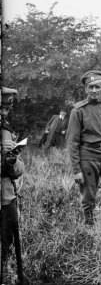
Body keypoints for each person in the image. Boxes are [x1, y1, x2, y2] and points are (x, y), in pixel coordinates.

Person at [66, 70, 101, 225]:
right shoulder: (78, 110)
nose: (94, 90)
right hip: (87, 156)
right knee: (88, 195)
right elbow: (72, 142)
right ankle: (89, 225)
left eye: (97, 87)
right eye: (90, 87)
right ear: (86, 89)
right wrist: (76, 170)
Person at [1, 87, 27, 284]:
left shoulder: (6, 130)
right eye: (1, 107)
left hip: (6, 195)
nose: (4, 112)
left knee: (7, 241)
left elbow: (17, 172)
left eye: (8, 108)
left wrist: (11, 158)